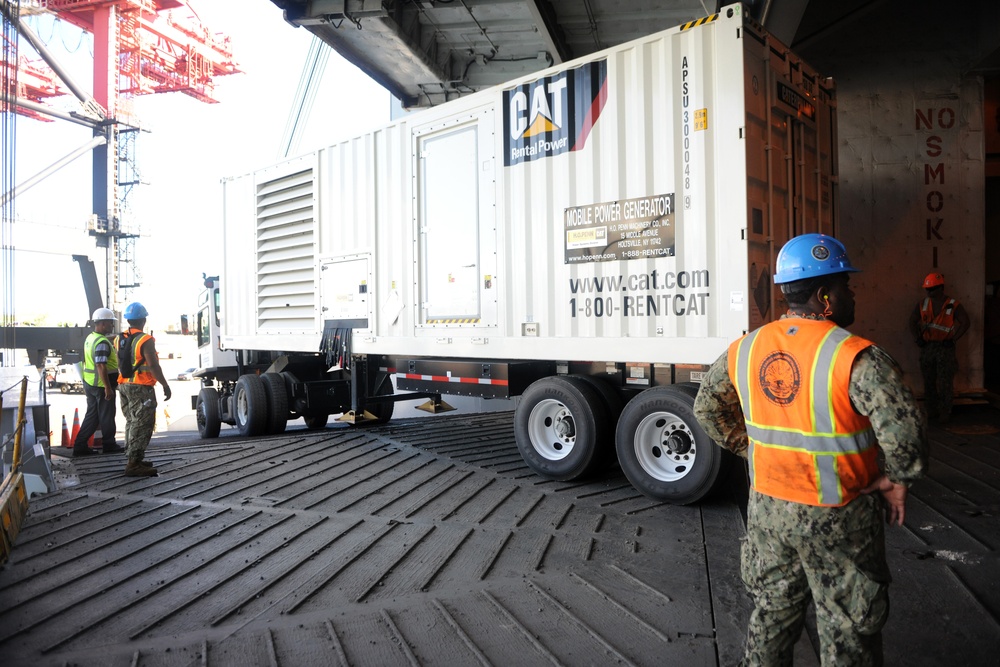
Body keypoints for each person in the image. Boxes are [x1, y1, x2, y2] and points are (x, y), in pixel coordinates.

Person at [693, 233, 927, 666]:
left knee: (772, 613)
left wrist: (754, 449)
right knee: (847, 626)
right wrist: (896, 478)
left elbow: (707, 409)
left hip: (767, 513)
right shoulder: (856, 356)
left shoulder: (745, 349)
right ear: (825, 296)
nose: (851, 294)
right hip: (838, 514)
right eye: (845, 286)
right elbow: (905, 433)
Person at [116, 301, 171, 477]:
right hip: (141, 387)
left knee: (132, 422)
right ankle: (133, 464)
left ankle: (134, 458)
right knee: (142, 424)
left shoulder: (119, 338)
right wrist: (165, 385)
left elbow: (119, 363)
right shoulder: (146, 340)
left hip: (124, 385)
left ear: (128, 320)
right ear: (143, 320)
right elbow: (153, 366)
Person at [908, 272, 970, 423]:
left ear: (941, 288)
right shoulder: (922, 304)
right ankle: (932, 411)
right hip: (928, 347)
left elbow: (965, 322)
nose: (929, 292)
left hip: (945, 348)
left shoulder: (953, 305)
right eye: (927, 290)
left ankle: (945, 412)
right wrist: (918, 339)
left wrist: (953, 340)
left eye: (932, 289)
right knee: (929, 381)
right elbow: (912, 321)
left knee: (945, 381)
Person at [73, 307, 124, 457]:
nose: (112, 325)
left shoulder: (90, 338)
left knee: (93, 416)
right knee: (107, 415)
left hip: (90, 383)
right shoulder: (101, 342)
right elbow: (101, 365)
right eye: (110, 323)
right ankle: (109, 444)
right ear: (101, 323)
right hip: (101, 386)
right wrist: (108, 388)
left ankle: (80, 446)